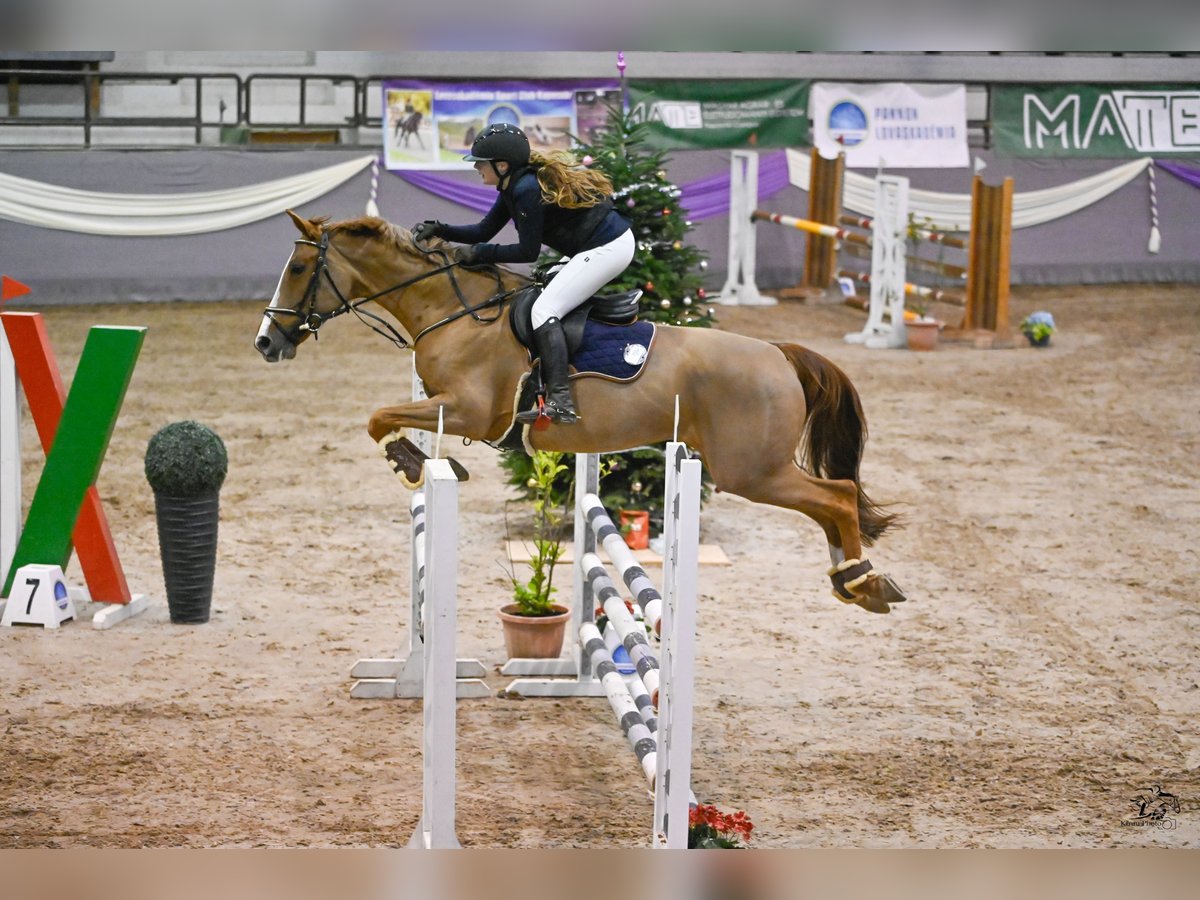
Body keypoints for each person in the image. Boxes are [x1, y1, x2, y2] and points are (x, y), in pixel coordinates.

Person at [411, 123, 634, 425]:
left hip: (609, 247)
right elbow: (483, 230)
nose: (476, 167)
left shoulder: (526, 189)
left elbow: (527, 252)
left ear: (502, 165)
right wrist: (441, 229)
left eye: (481, 163)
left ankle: (561, 401)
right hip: (592, 246)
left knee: (544, 310)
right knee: (541, 297)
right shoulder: (512, 186)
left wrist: (480, 253)